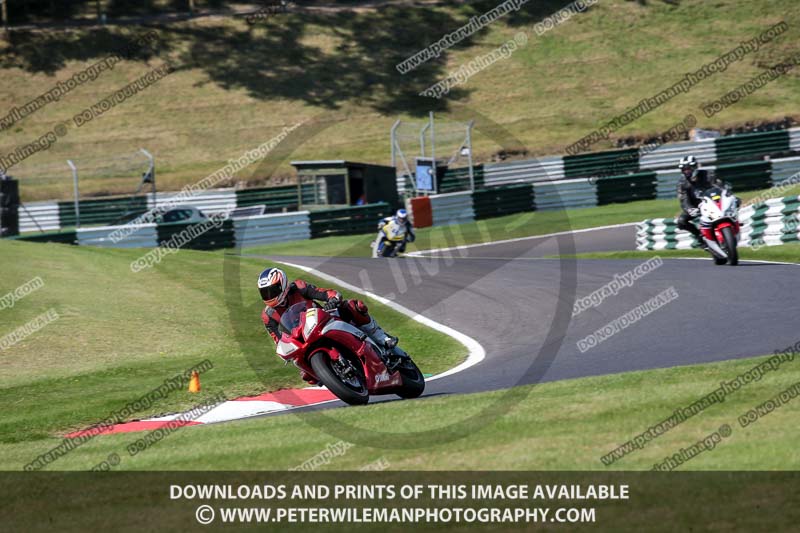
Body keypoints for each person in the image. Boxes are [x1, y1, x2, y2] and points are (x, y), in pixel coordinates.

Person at [258, 267, 399, 377]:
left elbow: (325, 293)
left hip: (323, 321)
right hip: (301, 339)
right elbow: (278, 339)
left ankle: (382, 338)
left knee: (354, 306)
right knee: (306, 374)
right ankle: (331, 374)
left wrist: (332, 300)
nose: (269, 296)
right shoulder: (268, 315)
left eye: (271, 291)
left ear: (282, 285)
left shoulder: (299, 288)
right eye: (265, 293)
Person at [675, 155, 729, 248]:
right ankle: (699, 236)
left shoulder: (709, 175)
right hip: (696, 206)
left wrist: (728, 195)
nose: (686, 171)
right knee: (681, 221)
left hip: (713, 202)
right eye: (684, 169)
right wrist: (689, 209)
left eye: (688, 168)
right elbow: (683, 199)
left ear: (695, 167)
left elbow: (721, 187)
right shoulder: (682, 182)